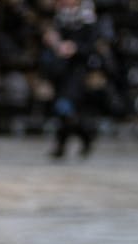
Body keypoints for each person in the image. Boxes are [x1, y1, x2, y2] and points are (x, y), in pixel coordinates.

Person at [42, 0, 109, 158]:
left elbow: (94, 47)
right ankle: (83, 138)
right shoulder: (59, 18)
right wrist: (53, 41)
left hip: (79, 72)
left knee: (65, 107)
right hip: (60, 70)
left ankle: (69, 142)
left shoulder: (88, 19)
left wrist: (75, 48)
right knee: (63, 110)